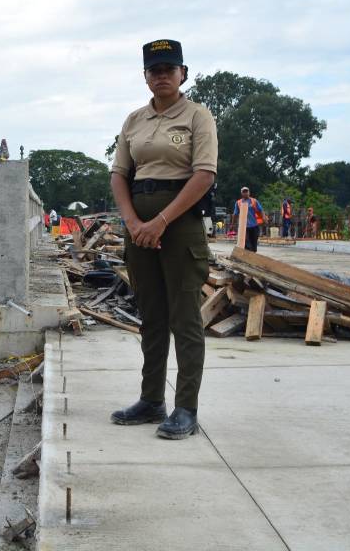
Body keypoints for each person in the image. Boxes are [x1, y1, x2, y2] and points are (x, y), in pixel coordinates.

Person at [108, 39, 217, 440]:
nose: (162, 76)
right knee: (151, 317)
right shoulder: (134, 120)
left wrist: (161, 222)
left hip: (180, 226)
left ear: (183, 73)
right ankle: (151, 399)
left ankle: (186, 408)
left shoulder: (197, 116)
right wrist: (134, 223)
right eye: (154, 70)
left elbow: (204, 175)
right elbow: (119, 174)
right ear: (145, 77)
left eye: (169, 69)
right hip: (139, 228)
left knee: (184, 318)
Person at [233, 187, 264, 252]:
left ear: (249, 192)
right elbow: (235, 214)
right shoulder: (238, 202)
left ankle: (253, 254)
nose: (245, 193)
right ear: (241, 193)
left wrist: (264, 218)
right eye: (244, 192)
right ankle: (248, 255)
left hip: (254, 225)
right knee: (246, 243)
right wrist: (233, 224)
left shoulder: (254, 201)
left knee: (254, 243)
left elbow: (260, 210)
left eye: (246, 191)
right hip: (244, 227)